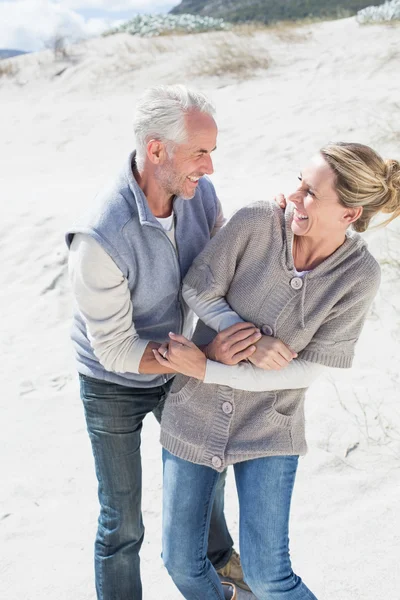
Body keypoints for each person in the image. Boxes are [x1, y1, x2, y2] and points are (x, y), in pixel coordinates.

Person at [154, 142, 400, 600]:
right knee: (182, 564)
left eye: (310, 193)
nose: (292, 196)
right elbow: (198, 286)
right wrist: (240, 335)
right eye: (298, 181)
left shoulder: (359, 274)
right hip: (194, 413)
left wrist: (209, 368)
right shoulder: (257, 221)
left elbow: (305, 371)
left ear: (349, 214)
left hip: (271, 427)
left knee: (269, 577)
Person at [66, 85, 271, 599]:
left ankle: (228, 579)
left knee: (207, 486)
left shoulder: (197, 194)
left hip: (182, 363)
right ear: (156, 150)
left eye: (211, 152)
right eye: (199, 153)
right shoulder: (100, 236)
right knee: (122, 519)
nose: (210, 168)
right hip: (113, 378)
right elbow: (114, 348)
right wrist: (201, 359)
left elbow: (219, 269)